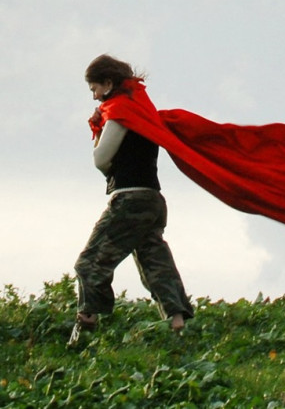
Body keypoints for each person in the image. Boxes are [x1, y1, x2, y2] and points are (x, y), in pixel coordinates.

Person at [71, 54, 193, 346]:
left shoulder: (120, 111)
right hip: (153, 199)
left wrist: (101, 131)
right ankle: (178, 325)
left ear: (109, 83)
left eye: (95, 89)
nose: (94, 96)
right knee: (155, 262)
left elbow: (101, 160)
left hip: (129, 200)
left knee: (89, 263)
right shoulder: (143, 111)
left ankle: (86, 324)